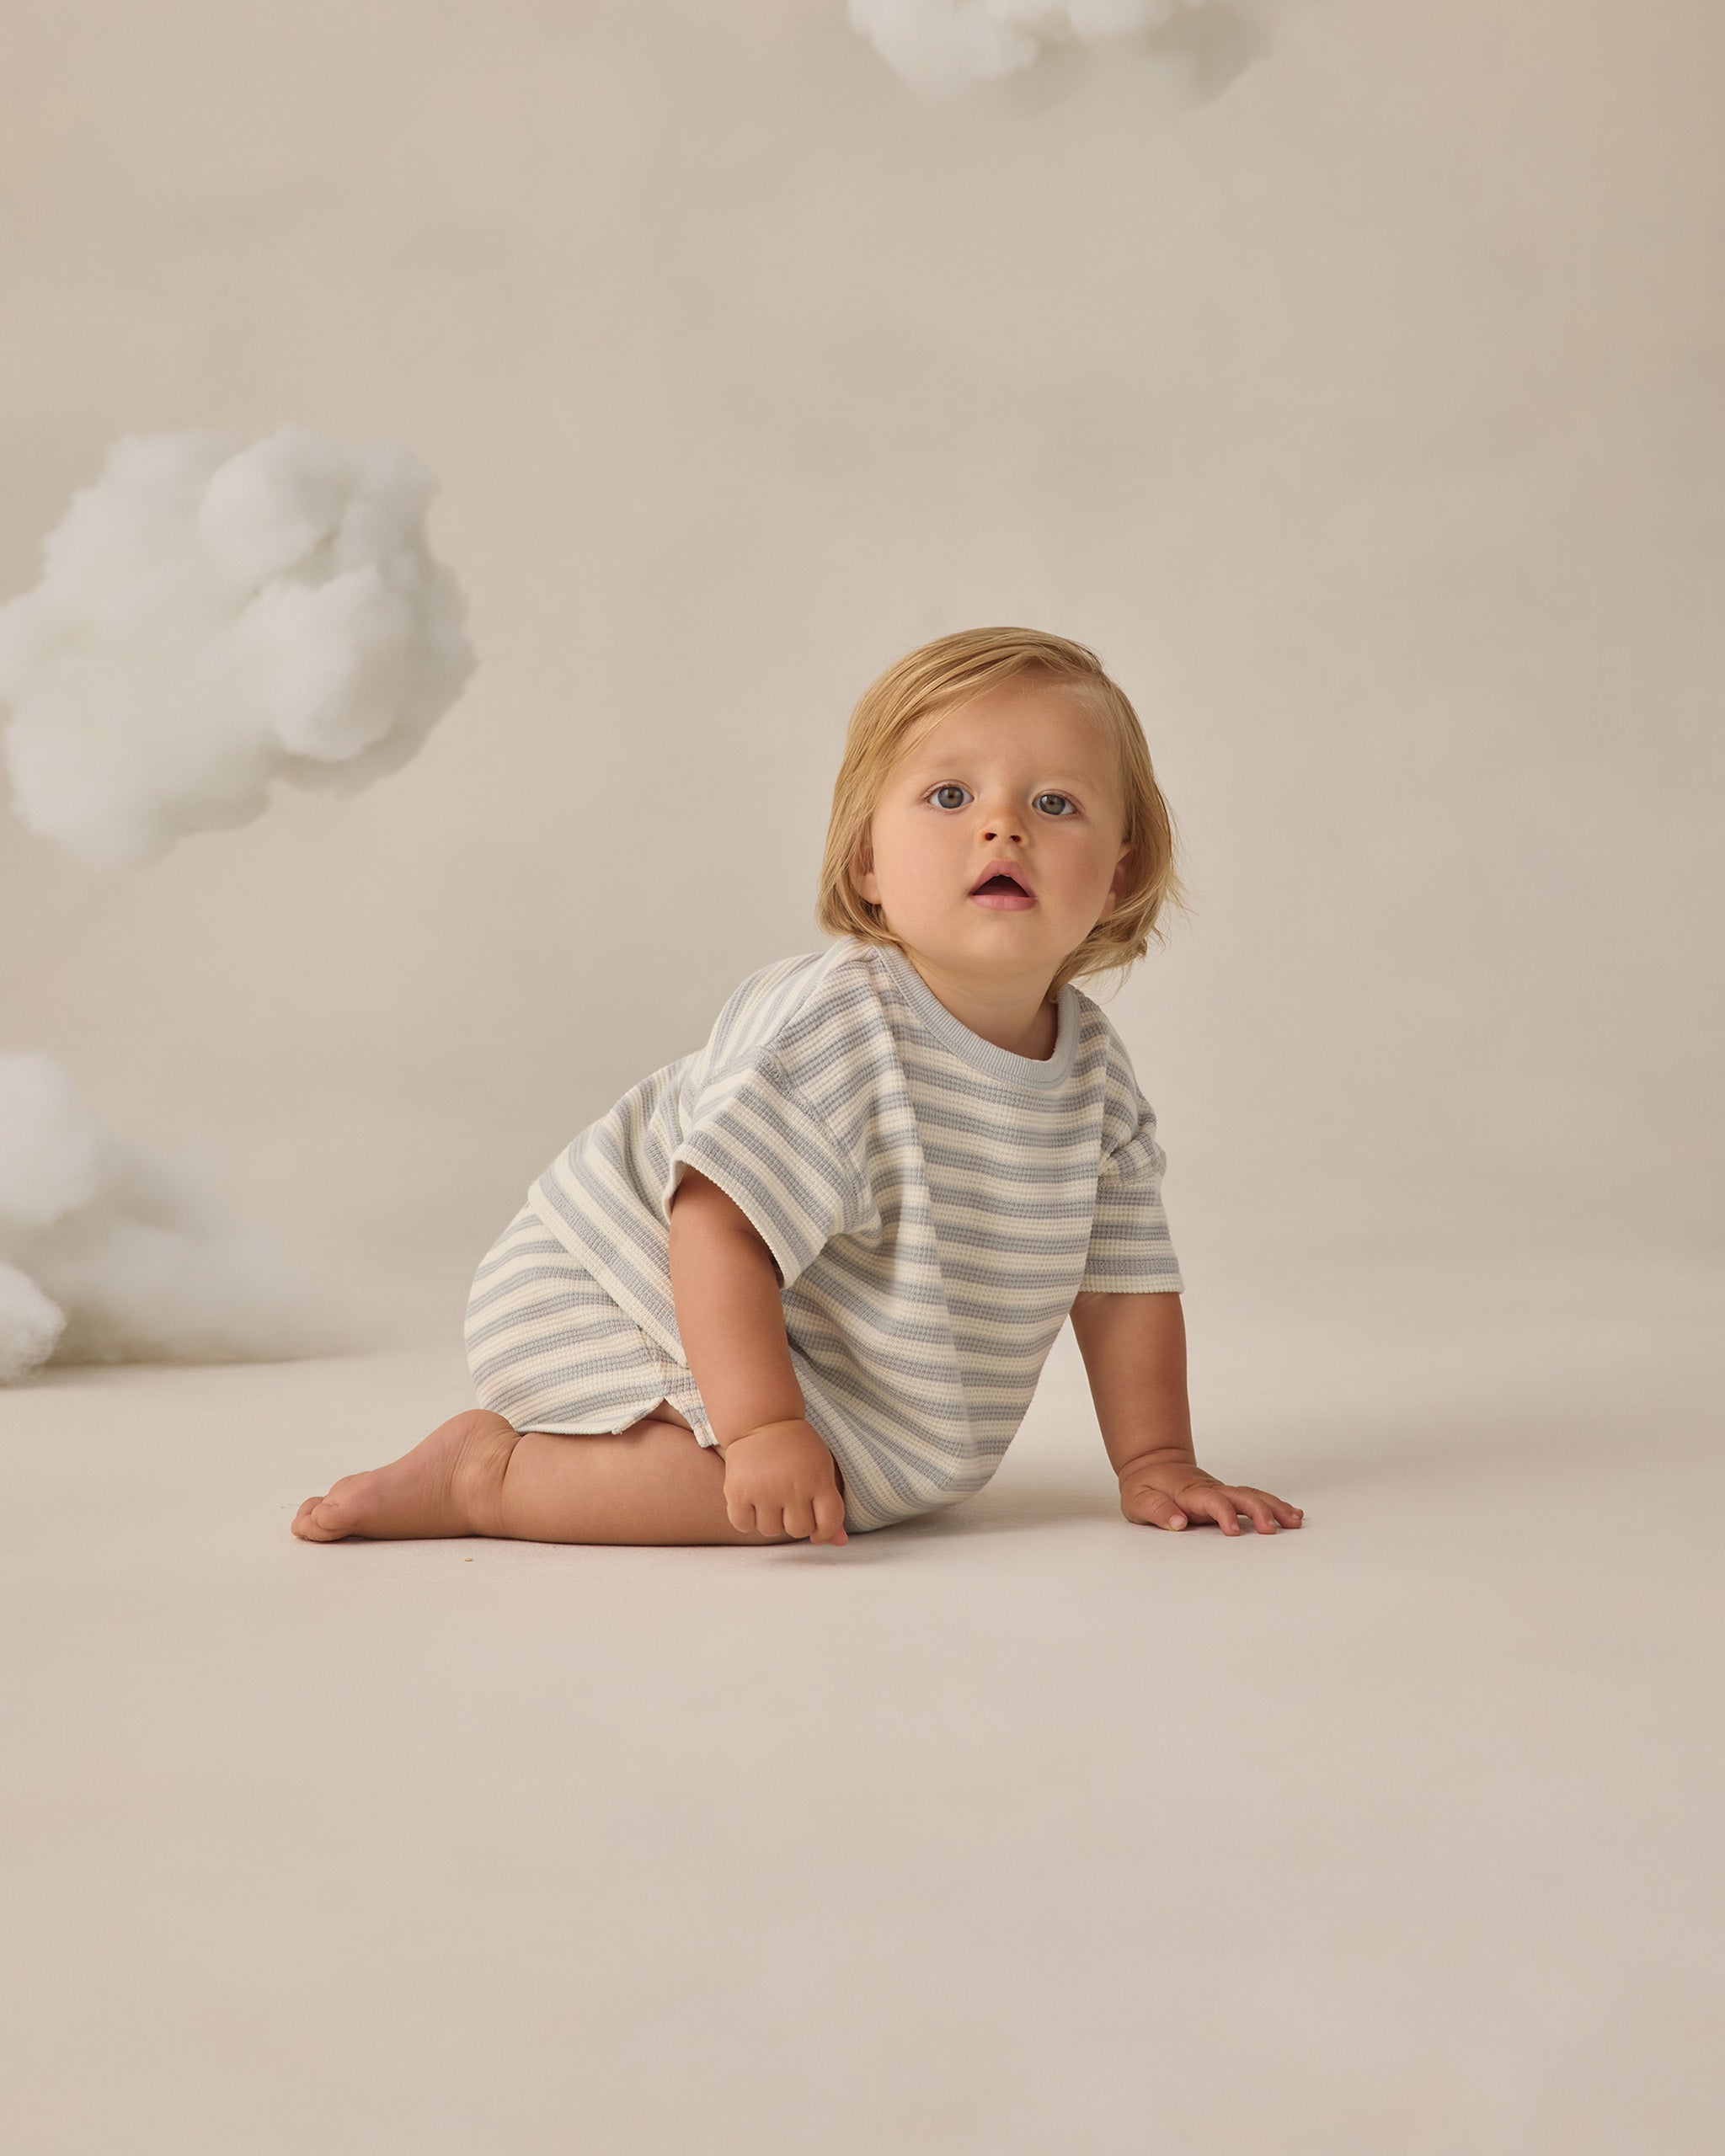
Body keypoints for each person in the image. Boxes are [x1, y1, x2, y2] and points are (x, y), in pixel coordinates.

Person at [291, 627, 1303, 1550]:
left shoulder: (1096, 1077)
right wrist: (763, 1426)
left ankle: (736, 1439)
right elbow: (714, 1222)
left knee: (856, 1489)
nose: (1002, 828)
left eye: (1054, 804)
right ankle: (486, 1476)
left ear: (1118, 873)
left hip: (804, 1353)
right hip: (616, 1286)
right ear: (867, 863)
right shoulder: (837, 1029)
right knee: (741, 1495)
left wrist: (1155, 1459)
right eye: (949, 797)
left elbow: (1123, 1287)